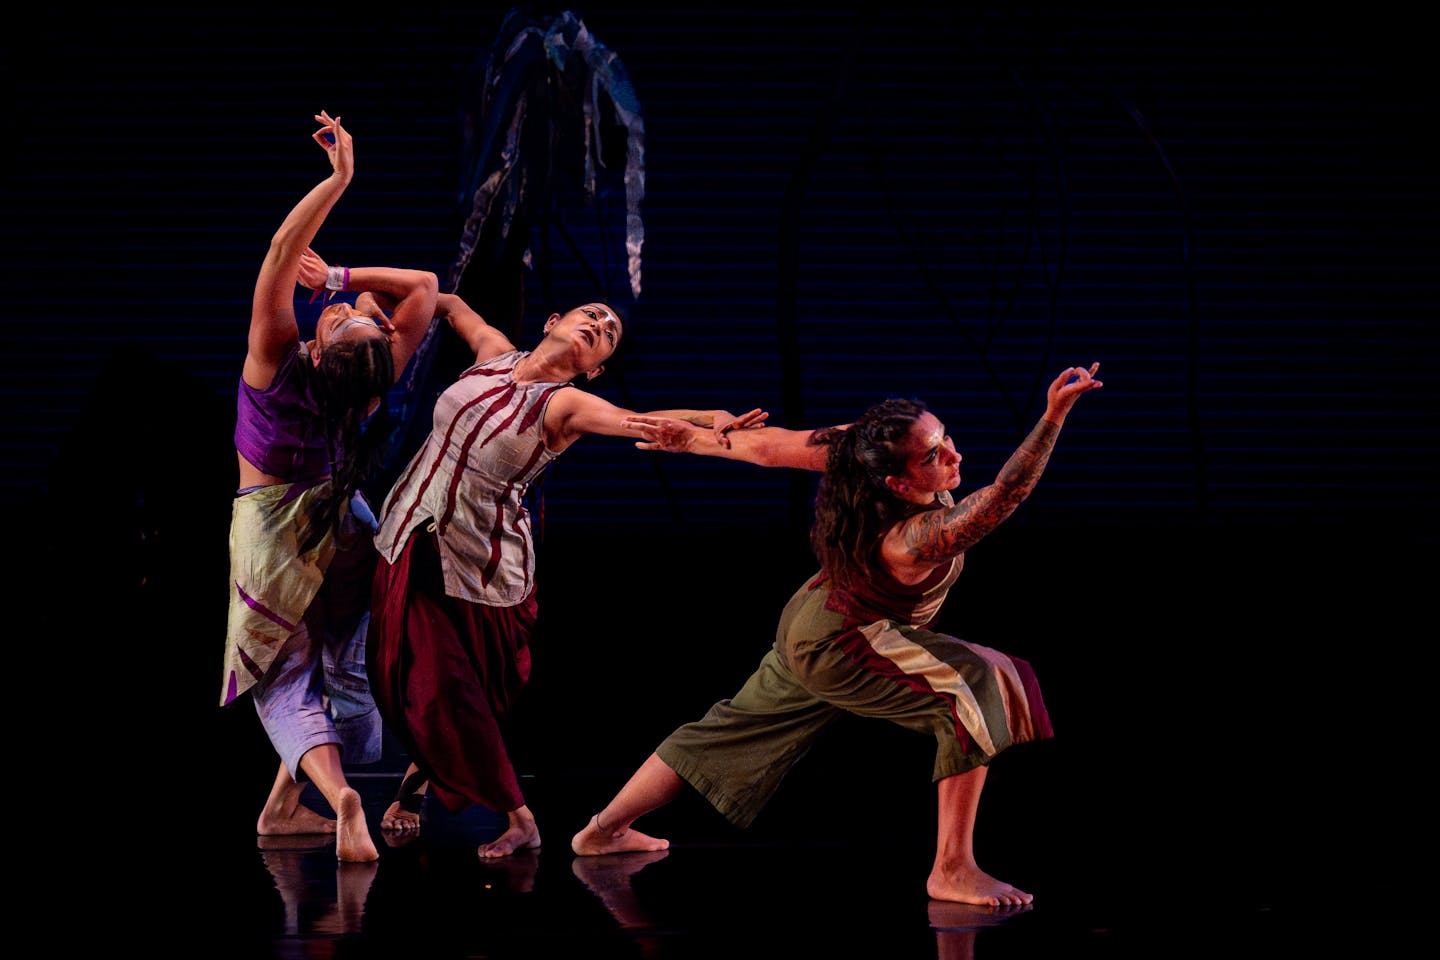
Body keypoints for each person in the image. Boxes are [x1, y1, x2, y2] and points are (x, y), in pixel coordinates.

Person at [570, 362, 1103, 906]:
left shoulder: (858, 451)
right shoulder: (913, 538)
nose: (954, 457)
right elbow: (1002, 496)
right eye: (933, 457)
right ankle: (952, 868)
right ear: (897, 483)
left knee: (730, 727)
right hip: (845, 642)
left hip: (815, 619)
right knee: (978, 682)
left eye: (946, 440)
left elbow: (765, 447)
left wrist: (690, 438)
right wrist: (1052, 417)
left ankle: (601, 831)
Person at [367, 289, 767, 857]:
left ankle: (518, 818)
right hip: (409, 534)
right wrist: (345, 284)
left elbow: (645, 424)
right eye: (592, 315)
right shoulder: (493, 355)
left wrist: (710, 421)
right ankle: (418, 784)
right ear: (555, 321)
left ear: (596, 366)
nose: (599, 324)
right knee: (408, 679)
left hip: (478, 561)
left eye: (607, 332)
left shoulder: (566, 406)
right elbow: (445, 298)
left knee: (444, 689)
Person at [220, 110, 439, 862]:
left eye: (344, 317)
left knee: (283, 677)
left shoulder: (275, 362)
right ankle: (283, 808)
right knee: (341, 660)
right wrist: (342, 278)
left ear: (319, 346)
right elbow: (428, 289)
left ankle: (343, 794)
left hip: (275, 536)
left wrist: (339, 178)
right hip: (347, 521)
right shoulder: (374, 386)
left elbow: (283, 248)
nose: (346, 307)